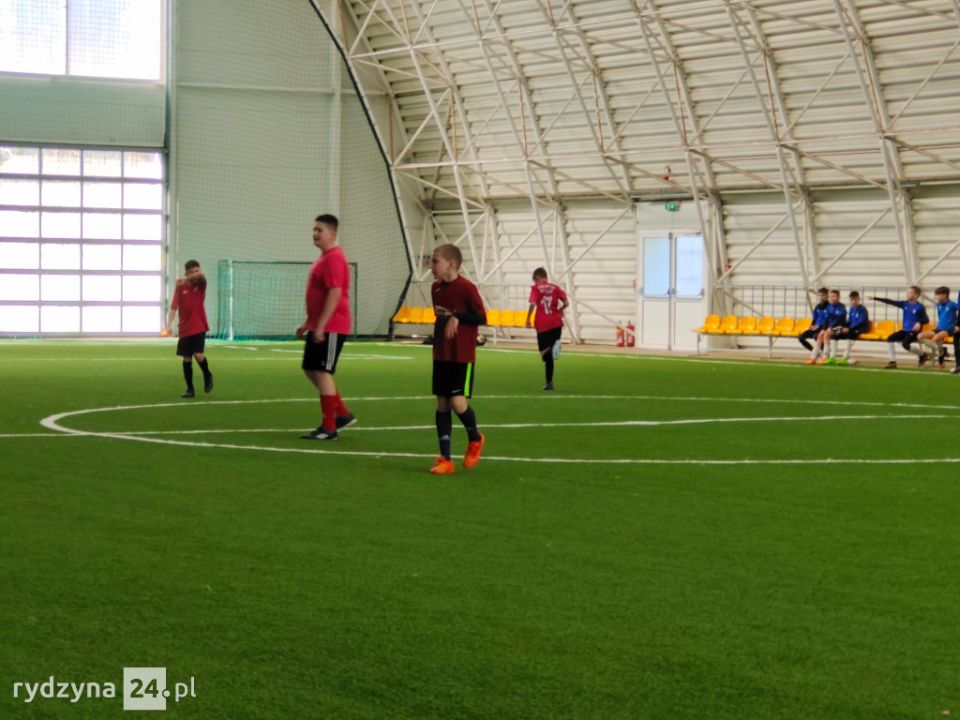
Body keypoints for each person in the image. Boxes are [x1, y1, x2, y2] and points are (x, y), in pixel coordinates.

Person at [429, 243, 487, 475]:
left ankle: (475, 438)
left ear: (451, 264)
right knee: (442, 403)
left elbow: (481, 317)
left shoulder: (466, 288)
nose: (431, 266)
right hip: (441, 354)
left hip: (462, 356)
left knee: (457, 402)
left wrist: (458, 318)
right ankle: (445, 459)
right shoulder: (436, 288)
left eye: (435, 261)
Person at [297, 214, 355, 440]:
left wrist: (321, 325)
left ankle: (329, 427)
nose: (315, 233)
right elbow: (318, 295)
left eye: (319, 230)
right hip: (320, 324)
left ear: (332, 234)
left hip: (332, 325)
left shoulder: (334, 258)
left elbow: (335, 293)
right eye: (314, 229)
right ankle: (341, 413)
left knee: (322, 371)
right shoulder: (324, 258)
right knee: (310, 369)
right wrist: (308, 323)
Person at [165, 259, 213, 398]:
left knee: (198, 355)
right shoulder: (181, 287)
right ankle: (190, 389)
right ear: (186, 273)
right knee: (187, 359)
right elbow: (174, 306)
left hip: (199, 326)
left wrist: (185, 279)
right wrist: (169, 324)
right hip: (185, 328)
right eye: (191, 272)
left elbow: (202, 275)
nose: (195, 274)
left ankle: (207, 374)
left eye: (196, 271)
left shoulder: (201, 284)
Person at [525, 267, 569, 390]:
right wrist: (560, 310)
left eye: (535, 280)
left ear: (537, 278)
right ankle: (549, 383)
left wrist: (528, 318)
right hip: (556, 323)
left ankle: (553, 349)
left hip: (542, 325)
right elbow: (566, 303)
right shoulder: (555, 288)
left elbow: (533, 303)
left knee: (544, 355)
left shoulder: (536, 288)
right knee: (549, 357)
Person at [871, 286, 929, 369]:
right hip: (905, 330)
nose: (907, 294)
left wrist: (919, 322)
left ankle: (922, 355)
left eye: (910, 293)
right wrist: (876, 298)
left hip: (914, 331)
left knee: (905, 344)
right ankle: (892, 361)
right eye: (907, 292)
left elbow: (926, 320)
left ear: (916, 295)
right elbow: (890, 301)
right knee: (890, 338)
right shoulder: (904, 304)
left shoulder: (920, 307)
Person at [919, 286, 956, 368]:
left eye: (938, 295)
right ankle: (943, 352)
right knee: (920, 336)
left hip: (949, 329)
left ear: (945, 295)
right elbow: (940, 316)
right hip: (939, 328)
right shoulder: (939, 305)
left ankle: (925, 355)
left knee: (936, 338)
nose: (936, 297)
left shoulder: (952, 305)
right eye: (936, 295)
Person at [829, 290, 869, 365]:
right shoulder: (851, 309)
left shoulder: (862, 309)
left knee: (849, 334)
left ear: (859, 299)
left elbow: (861, 322)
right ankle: (832, 357)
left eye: (855, 299)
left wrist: (849, 329)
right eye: (852, 300)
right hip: (851, 329)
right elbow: (849, 321)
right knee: (835, 333)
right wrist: (842, 327)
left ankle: (845, 357)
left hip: (861, 329)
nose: (853, 301)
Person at [808, 289, 845, 365]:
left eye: (833, 296)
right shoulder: (829, 307)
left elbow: (840, 320)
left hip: (840, 327)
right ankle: (813, 357)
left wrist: (831, 328)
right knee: (820, 335)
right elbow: (826, 319)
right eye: (830, 296)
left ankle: (825, 357)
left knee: (826, 335)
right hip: (830, 327)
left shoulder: (841, 307)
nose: (831, 298)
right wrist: (824, 329)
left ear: (838, 297)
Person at [798, 287, 829, 356]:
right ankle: (815, 352)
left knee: (816, 336)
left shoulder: (829, 307)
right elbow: (814, 319)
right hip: (816, 328)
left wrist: (823, 327)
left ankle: (826, 353)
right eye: (820, 295)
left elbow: (828, 320)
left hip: (824, 328)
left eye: (823, 295)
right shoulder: (817, 307)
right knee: (801, 337)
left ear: (827, 296)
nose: (821, 297)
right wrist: (811, 326)